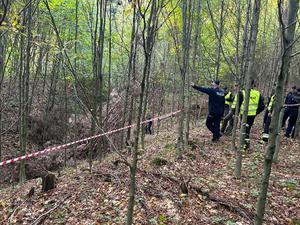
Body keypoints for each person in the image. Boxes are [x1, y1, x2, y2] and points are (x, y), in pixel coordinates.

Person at [236, 80, 265, 150]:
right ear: (253, 85)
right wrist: (255, 112)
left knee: (244, 130)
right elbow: (262, 106)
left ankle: (244, 146)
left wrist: (236, 113)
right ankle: (245, 144)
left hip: (244, 115)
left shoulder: (242, 92)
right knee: (247, 130)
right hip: (252, 115)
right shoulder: (257, 93)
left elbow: (238, 105)